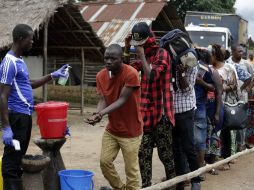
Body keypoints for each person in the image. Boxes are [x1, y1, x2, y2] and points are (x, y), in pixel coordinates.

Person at [0, 24, 69, 190]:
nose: (32, 42)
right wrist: (6, 127)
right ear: (20, 39)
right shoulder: (8, 63)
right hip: (16, 118)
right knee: (11, 163)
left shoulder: (19, 61)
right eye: (30, 39)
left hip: (24, 118)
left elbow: (28, 83)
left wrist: (53, 75)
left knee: (17, 158)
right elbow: (2, 95)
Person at [124, 22, 175, 189]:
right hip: (146, 113)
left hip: (162, 113)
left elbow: (151, 75)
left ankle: (173, 184)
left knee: (165, 154)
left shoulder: (162, 54)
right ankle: (146, 186)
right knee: (143, 153)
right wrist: (126, 49)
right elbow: (127, 70)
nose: (139, 47)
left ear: (149, 38)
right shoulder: (143, 54)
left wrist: (141, 55)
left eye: (141, 43)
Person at [86, 44, 143, 190]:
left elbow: (122, 99)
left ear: (121, 59)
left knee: (131, 170)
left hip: (131, 131)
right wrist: (96, 115)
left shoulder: (131, 73)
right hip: (112, 129)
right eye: (106, 58)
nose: (109, 61)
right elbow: (103, 99)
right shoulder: (101, 76)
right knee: (104, 162)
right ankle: (120, 188)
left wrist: (101, 114)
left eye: (113, 58)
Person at [172, 46, 201, 189]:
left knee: (188, 147)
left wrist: (181, 74)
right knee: (176, 149)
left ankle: (196, 180)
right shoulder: (171, 62)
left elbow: (187, 89)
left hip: (186, 111)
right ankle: (180, 183)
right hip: (171, 112)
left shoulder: (191, 63)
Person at [194, 48, 222, 177]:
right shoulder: (195, 68)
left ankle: (205, 168)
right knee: (200, 140)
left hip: (206, 109)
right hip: (198, 109)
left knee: (207, 139)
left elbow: (216, 91)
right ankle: (199, 167)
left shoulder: (210, 71)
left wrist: (217, 113)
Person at [226, 45, 254, 153]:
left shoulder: (246, 63)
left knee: (242, 120)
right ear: (233, 52)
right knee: (232, 119)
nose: (241, 53)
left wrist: (246, 89)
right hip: (230, 97)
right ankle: (232, 146)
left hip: (242, 97)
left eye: (242, 51)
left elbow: (252, 78)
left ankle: (241, 144)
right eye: (239, 51)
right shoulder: (228, 63)